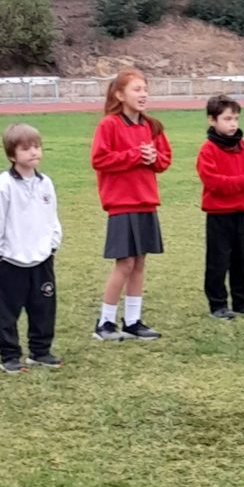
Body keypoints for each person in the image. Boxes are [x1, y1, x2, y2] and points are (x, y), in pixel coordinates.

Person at [90, 69, 172, 342]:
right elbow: (99, 159)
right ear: (119, 95)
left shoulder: (152, 126)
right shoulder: (109, 125)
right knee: (124, 263)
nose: (143, 94)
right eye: (137, 89)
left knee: (139, 262)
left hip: (146, 202)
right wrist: (134, 155)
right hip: (121, 204)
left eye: (145, 89)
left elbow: (165, 160)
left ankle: (132, 321)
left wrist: (153, 157)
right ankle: (105, 322)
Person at [0, 124, 62, 373]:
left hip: (42, 258)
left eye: (37, 146)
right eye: (26, 149)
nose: (33, 152)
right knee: (8, 311)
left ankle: (40, 351)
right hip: (11, 260)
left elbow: (52, 217)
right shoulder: (3, 185)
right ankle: (9, 355)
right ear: (11, 154)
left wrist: (52, 245)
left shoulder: (45, 183)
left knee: (43, 307)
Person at [196, 94, 244, 319]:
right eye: (227, 119)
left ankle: (242, 301)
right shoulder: (208, 150)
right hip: (218, 214)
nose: (233, 124)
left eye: (235, 118)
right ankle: (217, 304)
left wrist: (236, 183)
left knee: (241, 259)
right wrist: (241, 182)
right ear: (212, 120)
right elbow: (214, 182)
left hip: (240, 212)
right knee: (218, 260)